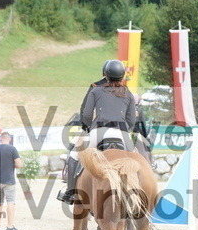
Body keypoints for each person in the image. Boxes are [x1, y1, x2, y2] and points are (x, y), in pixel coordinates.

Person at [56, 60, 137, 204]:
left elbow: (86, 114)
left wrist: (88, 127)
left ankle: (70, 192)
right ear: (122, 76)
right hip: (121, 134)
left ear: (105, 74)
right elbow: (131, 120)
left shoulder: (96, 90)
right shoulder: (128, 93)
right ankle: (138, 191)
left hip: (98, 131)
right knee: (138, 160)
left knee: (74, 156)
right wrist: (124, 129)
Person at [0, 132, 23, 230]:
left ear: (0, 139)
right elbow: (19, 164)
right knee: (10, 202)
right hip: (9, 180)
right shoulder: (12, 149)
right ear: (9, 139)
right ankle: (10, 226)